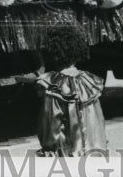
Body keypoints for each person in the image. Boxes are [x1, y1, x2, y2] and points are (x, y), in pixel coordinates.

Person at [34, 24, 107, 155]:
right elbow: (98, 122)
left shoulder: (53, 87)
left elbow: (50, 125)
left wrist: (48, 148)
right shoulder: (89, 83)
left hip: (67, 153)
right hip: (93, 152)